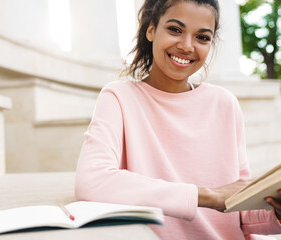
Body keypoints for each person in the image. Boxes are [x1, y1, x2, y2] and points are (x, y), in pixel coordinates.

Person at [75, 0, 281, 239]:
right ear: (150, 30)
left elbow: (240, 212)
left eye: (202, 37)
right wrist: (209, 195)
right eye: (175, 30)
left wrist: (275, 211)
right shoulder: (119, 98)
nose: (186, 46)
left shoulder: (224, 103)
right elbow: (92, 181)